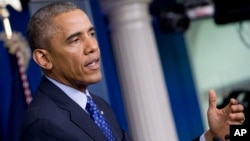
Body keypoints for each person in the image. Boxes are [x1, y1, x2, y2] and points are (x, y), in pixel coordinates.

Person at [20, 2, 245, 141]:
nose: (92, 47)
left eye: (91, 33)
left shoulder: (98, 106)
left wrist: (210, 136)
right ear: (44, 58)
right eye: (75, 39)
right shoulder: (44, 124)